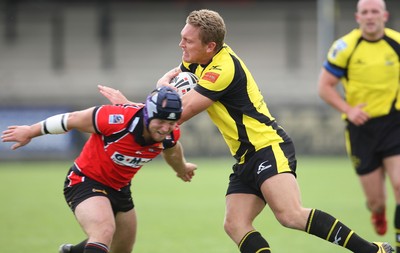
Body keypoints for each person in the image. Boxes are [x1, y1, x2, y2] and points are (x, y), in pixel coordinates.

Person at [99, 8, 394, 253]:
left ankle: (373, 251)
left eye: (187, 40)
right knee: (235, 224)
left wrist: (136, 101)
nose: (181, 45)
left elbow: (179, 113)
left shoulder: (222, 69)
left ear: (210, 46)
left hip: (268, 146)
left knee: (290, 215)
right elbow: (164, 111)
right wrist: (149, 99)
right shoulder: (194, 62)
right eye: (182, 38)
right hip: (246, 157)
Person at [1, 86, 197, 253]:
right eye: (160, 122)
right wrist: (30, 132)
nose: (165, 128)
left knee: (122, 247)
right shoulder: (116, 119)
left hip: (120, 189)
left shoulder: (170, 134)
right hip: (84, 181)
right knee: (103, 231)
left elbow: (172, 152)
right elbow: (71, 119)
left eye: (171, 123)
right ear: (148, 115)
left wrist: (181, 168)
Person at [317, 0, 400, 250]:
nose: (370, 16)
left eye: (375, 11)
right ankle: (378, 211)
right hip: (361, 130)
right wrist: (348, 110)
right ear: (357, 17)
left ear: (384, 15)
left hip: (394, 123)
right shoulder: (345, 47)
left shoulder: (396, 43)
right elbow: (324, 87)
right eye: (365, 12)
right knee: (376, 200)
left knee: (399, 184)